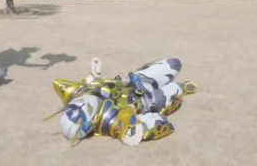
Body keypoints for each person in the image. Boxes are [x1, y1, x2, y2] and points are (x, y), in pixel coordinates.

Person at [50, 57, 197, 147]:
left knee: (174, 63)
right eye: (82, 111)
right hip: (151, 99)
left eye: (74, 107)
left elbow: (60, 83)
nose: (82, 103)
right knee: (175, 89)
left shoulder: (82, 93)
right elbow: (160, 126)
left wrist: (95, 74)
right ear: (89, 123)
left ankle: (150, 73)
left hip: (138, 80)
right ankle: (181, 88)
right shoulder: (115, 122)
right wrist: (142, 126)